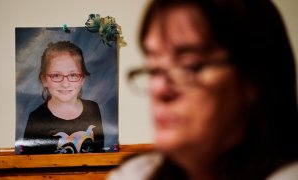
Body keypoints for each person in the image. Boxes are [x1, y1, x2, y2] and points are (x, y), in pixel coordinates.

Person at [108, 0, 298, 179]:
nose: (159, 89)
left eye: (189, 65)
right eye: (154, 68)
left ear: (254, 78)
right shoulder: (135, 174)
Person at [22, 41, 104, 154]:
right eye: (56, 75)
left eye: (73, 75)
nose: (65, 84)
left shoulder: (93, 109)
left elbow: (99, 152)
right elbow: (29, 163)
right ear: (44, 80)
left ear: (82, 79)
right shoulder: (36, 120)